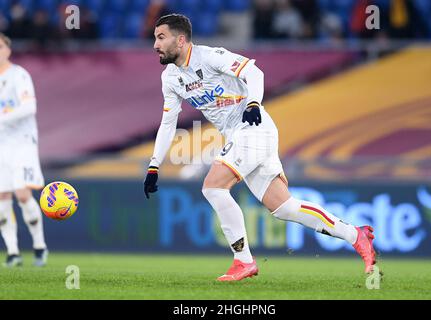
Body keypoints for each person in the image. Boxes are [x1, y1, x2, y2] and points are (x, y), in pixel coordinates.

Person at [144, 14, 376, 281]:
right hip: (240, 135)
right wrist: (154, 165)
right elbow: (168, 124)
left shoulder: (209, 57)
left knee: (213, 186)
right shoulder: (171, 78)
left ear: (181, 40)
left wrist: (253, 103)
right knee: (284, 208)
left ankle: (243, 261)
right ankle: (355, 235)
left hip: (253, 126)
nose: (155, 44)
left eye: (161, 37)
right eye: (154, 38)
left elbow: (254, 72)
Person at [0, 33, 48, 267]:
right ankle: (12, 252)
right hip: (1, 145)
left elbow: (29, 107)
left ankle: (39, 246)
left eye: (0, 46)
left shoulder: (19, 75)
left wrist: (2, 116)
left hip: (22, 142)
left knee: (22, 193)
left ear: (8, 49)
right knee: (2, 198)